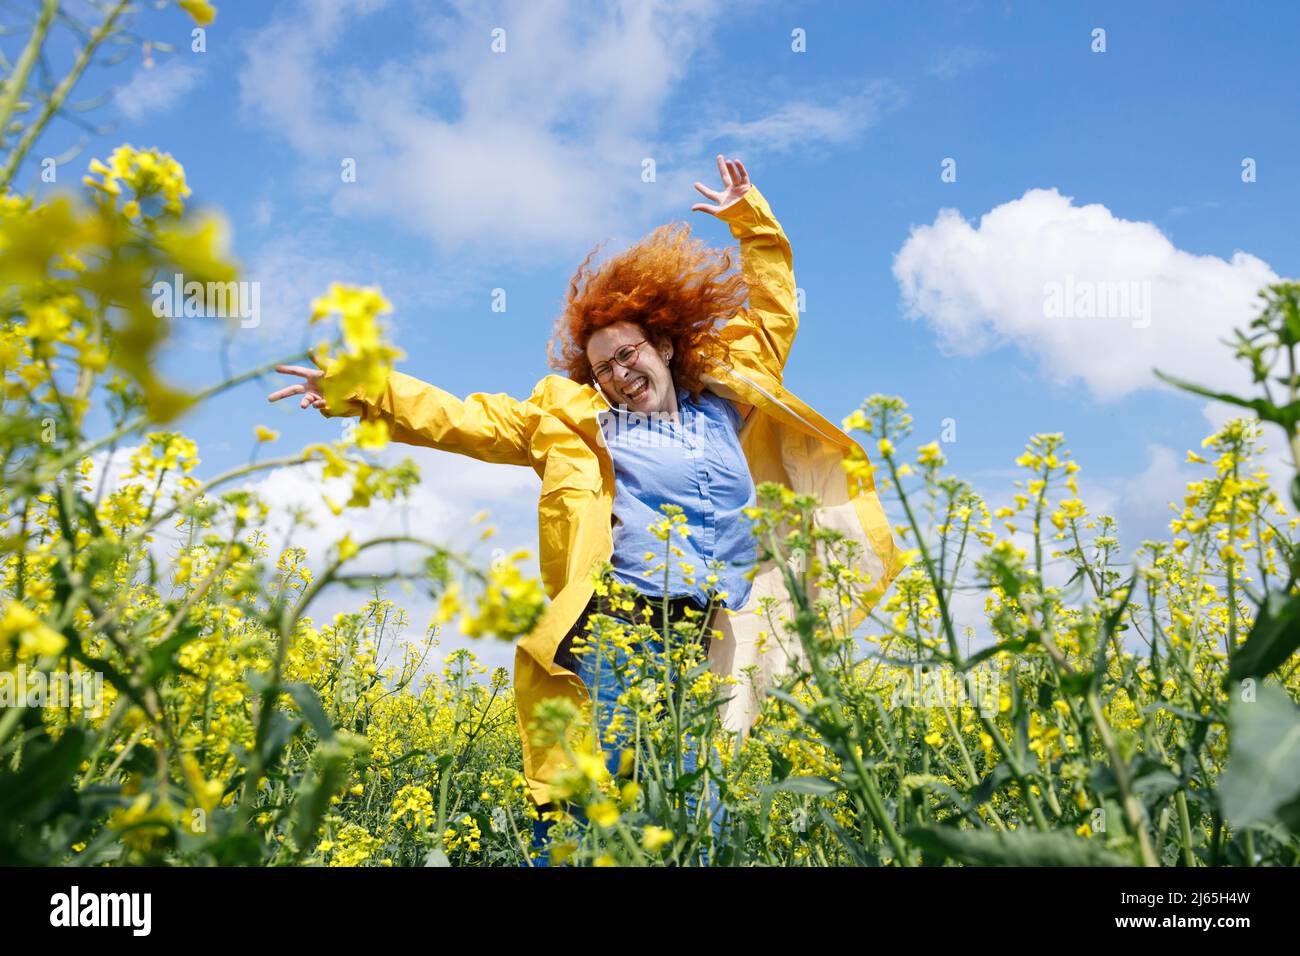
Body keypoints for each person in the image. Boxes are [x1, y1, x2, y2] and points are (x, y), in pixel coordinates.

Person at [268, 154, 903, 866]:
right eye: (602, 367)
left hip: (709, 637)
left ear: (663, 344)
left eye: (628, 355)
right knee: (587, 810)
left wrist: (751, 220)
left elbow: (774, 318)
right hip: (616, 630)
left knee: (698, 814)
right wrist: (366, 390)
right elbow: (461, 418)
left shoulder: (723, 404)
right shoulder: (576, 424)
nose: (619, 374)